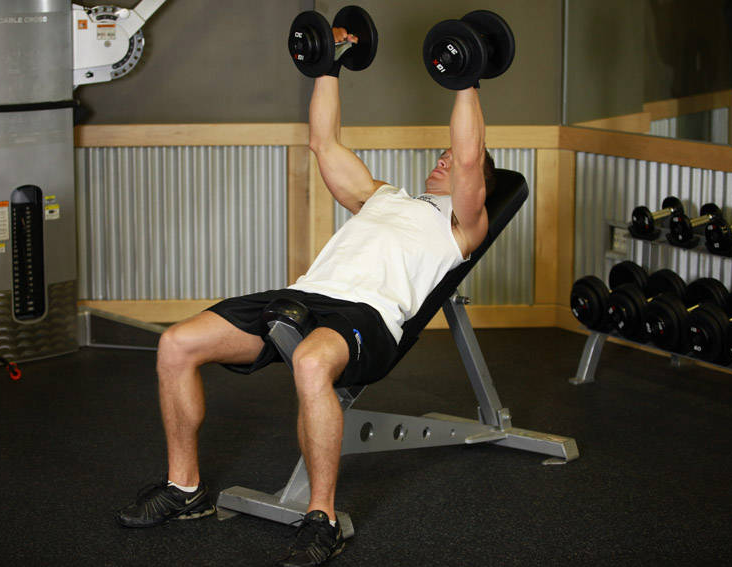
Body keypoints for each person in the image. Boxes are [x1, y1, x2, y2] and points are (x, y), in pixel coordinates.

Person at [116, 26, 495, 567]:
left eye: (455, 162)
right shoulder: (380, 197)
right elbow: (325, 142)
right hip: (301, 296)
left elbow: (467, 157)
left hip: (369, 315)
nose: (444, 161)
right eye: (438, 156)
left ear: (477, 182)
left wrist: (465, 80)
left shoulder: (463, 227)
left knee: (313, 363)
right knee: (176, 343)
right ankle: (184, 489)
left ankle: (322, 517)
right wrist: (327, 66)